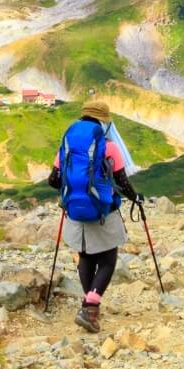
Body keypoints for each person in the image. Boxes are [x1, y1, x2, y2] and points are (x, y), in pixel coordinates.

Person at [46, 98, 138, 333]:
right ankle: (90, 308)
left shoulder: (68, 144)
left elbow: (53, 180)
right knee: (107, 261)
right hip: (101, 211)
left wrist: (74, 191)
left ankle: (88, 305)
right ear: (103, 121)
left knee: (85, 257)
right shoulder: (108, 146)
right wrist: (136, 198)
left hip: (74, 210)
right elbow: (121, 180)